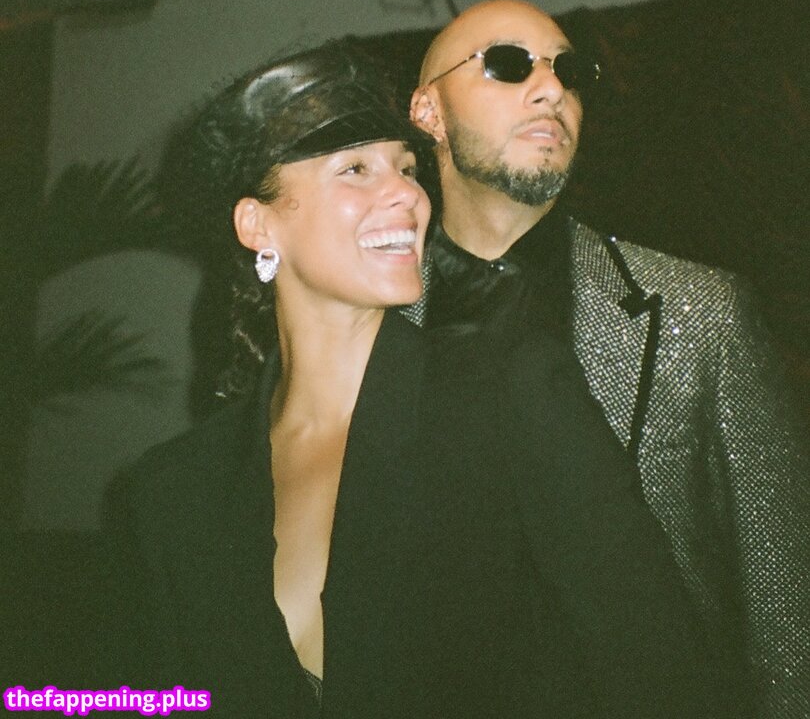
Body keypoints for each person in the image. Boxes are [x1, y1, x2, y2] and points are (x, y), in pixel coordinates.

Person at [109, 38, 719, 719]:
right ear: (258, 225)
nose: (407, 193)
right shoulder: (173, 492)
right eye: (356, 169)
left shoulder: (506, 392)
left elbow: (663, 673)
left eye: (406, 167)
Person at [407, 0, 810, 719]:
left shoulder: (704, 313)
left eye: (569, 72)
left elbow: (785, 605)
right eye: (508, 64)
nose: (551, 88)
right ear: (428, 112)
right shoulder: (366, 329)